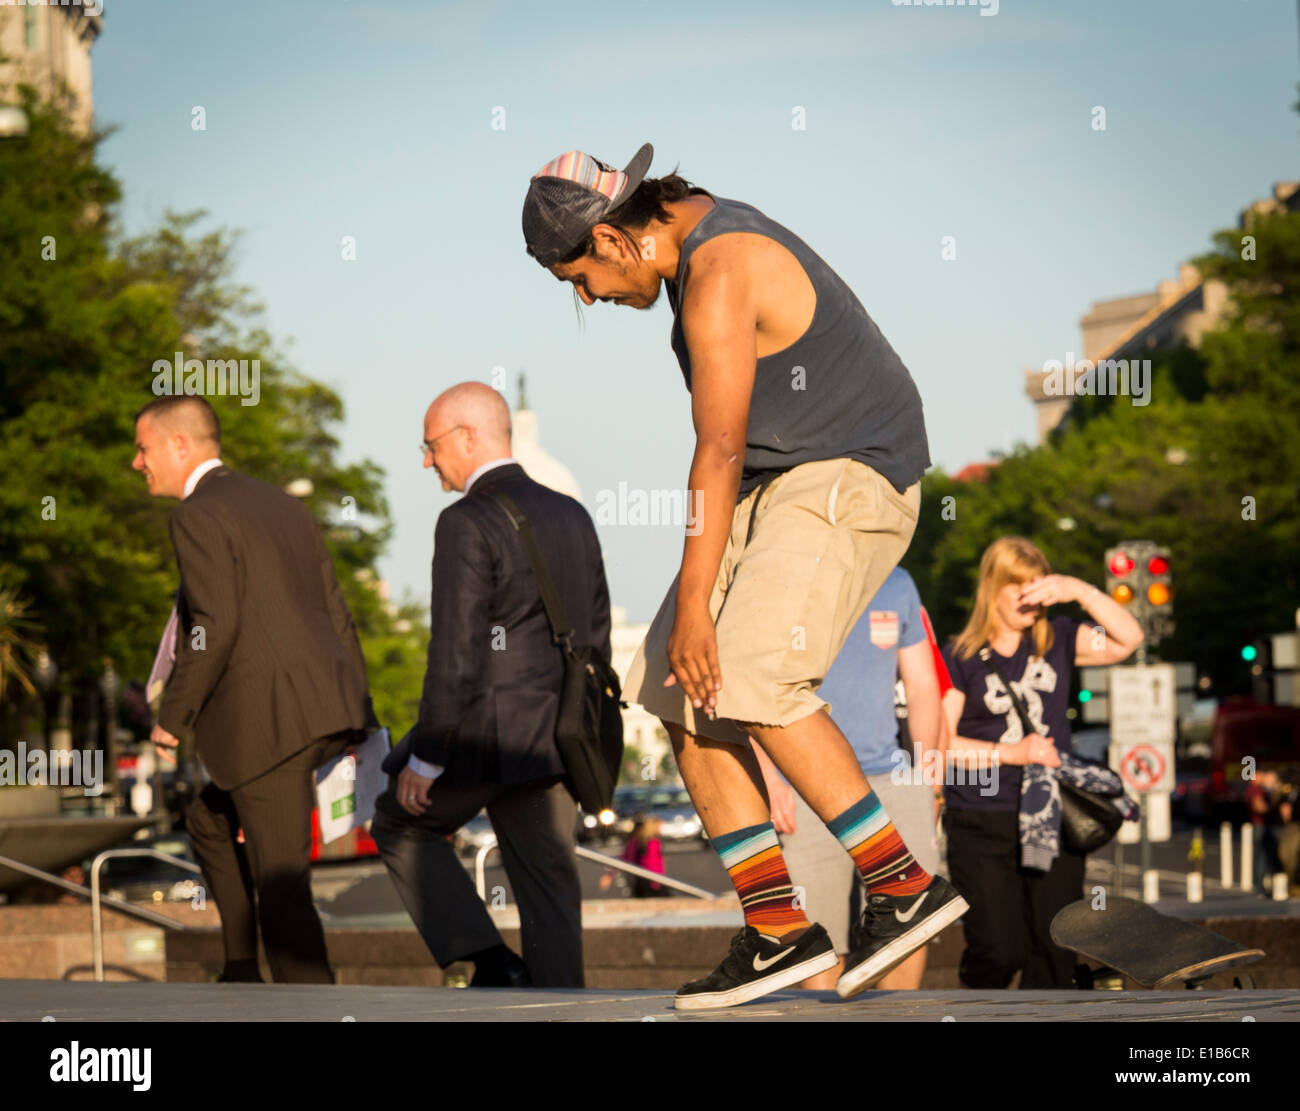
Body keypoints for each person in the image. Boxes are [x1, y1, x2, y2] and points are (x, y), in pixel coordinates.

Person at [523, 144, 966, 1010]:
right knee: (673, 685)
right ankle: (776, 928)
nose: (588, 299)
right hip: (781, 479)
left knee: (756, 672)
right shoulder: (688, 238)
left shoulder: (721, 267)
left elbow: (718, 447)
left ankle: (903, 885)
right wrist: (685, 626)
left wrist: (695, 602)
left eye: (580, 278)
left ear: (614, 240)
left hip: (850, 472)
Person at [370, 383, 611, 989]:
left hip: (485, 739)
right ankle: (562, 1008)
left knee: (398, 822)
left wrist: (426, 758)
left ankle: (487, 959)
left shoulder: (464, 521)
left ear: (468, 437)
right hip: (555, 740)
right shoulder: (572, 514)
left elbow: (455, 653)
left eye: (431, 446)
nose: (427, 460)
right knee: (550, 890)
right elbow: (596, 638)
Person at [135, 395, 377, 983]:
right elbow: (335, 611)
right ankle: (241, 967)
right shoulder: (284, 505)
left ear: (178, 445)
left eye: (143, 449)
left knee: (282, 886)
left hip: (270, 724)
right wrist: (359, 715)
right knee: (207, 821)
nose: (137, 462)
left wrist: (172, 717)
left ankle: (315, 1005)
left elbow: (212, 627)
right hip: (320, 710)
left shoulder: (195, 515)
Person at [940, 536, 1143, 989]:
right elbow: (941, 744)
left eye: (1038, 583)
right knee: (997, 948)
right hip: (980, 819)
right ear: (992, 588)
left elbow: (1130, 638)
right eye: (1017, 585)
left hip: (1052, 817)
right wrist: (1012, 753)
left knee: (1053, 951)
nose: (1030, 595)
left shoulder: (1061, 638)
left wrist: (1079, 590)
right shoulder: (959, 657)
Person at [755, 567, 951, 990]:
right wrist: (771, 781)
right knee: (816, 936)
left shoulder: (898, 582)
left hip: (891, 781)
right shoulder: (783, 572)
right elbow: (752, 684)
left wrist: (927, 777)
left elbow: (920, 685)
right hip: (806, 783)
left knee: (908, 925)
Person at [600, 815, 666, 897]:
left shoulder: (635, 841)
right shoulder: (651, 842)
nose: (661, 829)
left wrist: (610, 875)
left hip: (643, 880)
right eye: (660, 826)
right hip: (650, 881)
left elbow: (623, 858)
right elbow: (652, 862)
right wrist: (656, 882)